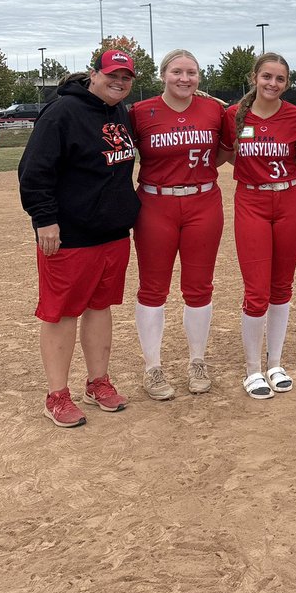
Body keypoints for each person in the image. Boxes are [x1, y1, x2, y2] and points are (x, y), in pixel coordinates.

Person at [18, 50, 141, 427]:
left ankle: (97, 382)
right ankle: (56, 395)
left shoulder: (118, 112)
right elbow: (33, 170)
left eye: (126, 77)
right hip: (70, 234)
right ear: (94, 74)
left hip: (112, 231)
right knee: (63, 311)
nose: (119, 82)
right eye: (112, 75)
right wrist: (45, 220)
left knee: (100, 307)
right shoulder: (62, 113)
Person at [130, 49, 228, 400]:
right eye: (176, 72)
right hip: (155, 204)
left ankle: (197, 361)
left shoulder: (214, 110)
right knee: (152, 288)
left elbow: (223, 152)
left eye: (191, 72)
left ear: (199, 77)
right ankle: (152, 367)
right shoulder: (140, 112)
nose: (184, 78)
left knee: (199, 287)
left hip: (203, 201)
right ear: (162, 75)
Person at [222, 53, 296, 400]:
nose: (272, 84)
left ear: (287, 83)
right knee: (256, 290)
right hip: (252, 201)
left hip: (290, 200)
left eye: (280, 79)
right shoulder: (234, 114)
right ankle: (252, 369)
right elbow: (227, 154)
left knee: (282, 286)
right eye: (267, 76)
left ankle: (275, 363)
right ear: (254, 77)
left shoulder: (294, 116)